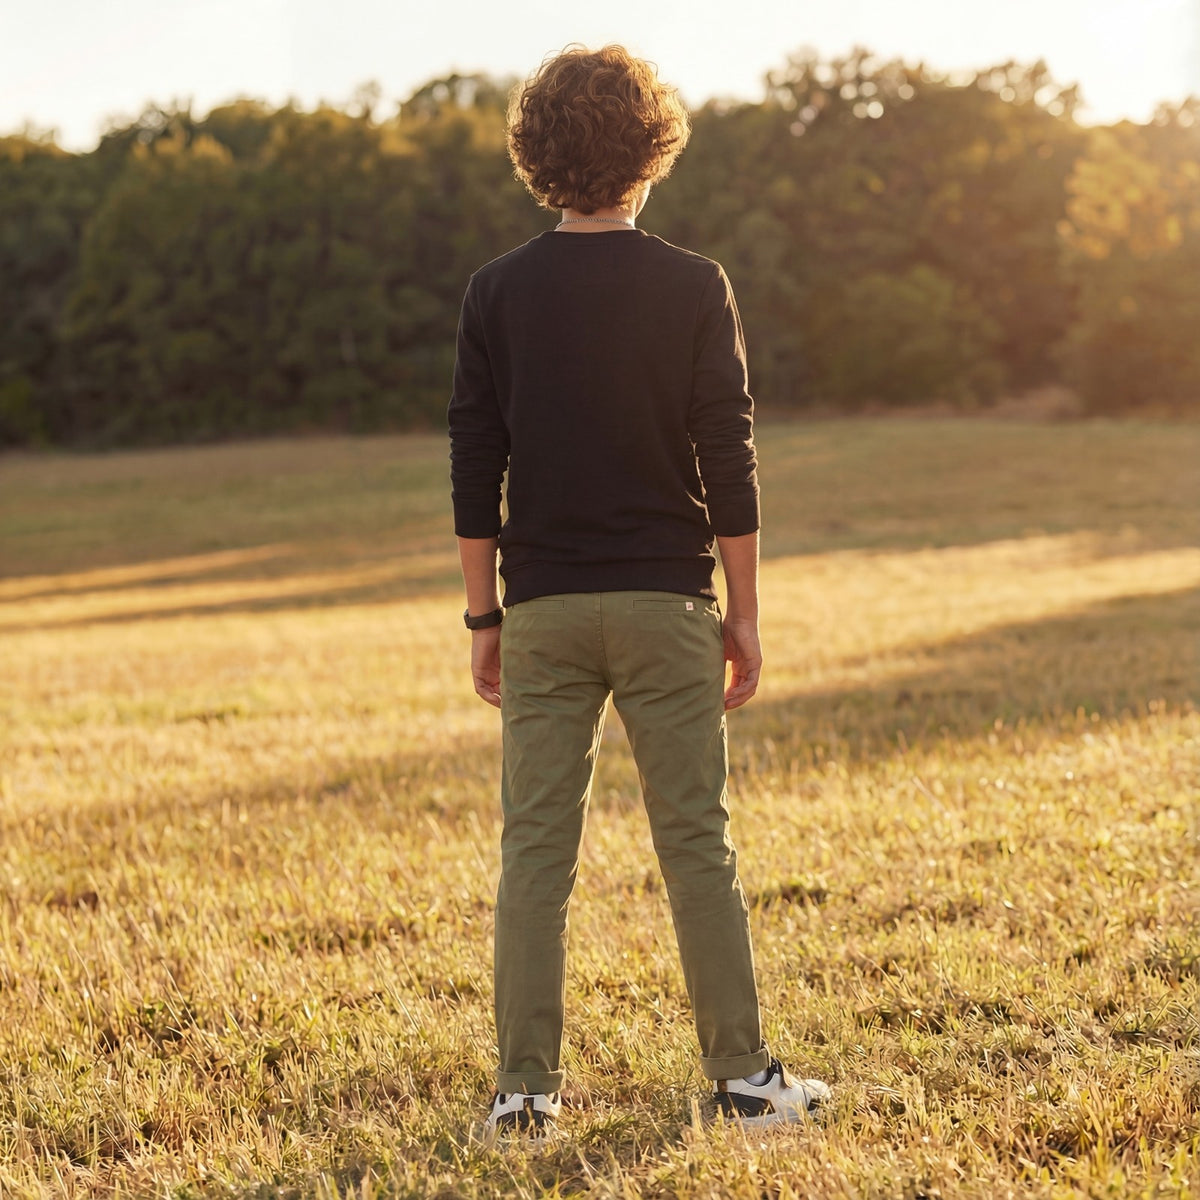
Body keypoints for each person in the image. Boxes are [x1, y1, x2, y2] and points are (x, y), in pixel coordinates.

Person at [448, 44, 830, 1136]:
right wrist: (743, 613)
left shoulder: (495, 293)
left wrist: (485, 616)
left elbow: (476, 463)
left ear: (538, 154)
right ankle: (748, 1084)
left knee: (534, 854)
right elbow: (731, 457)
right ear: (652, 152)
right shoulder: (695, 284)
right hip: (670, 610)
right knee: (697, 846)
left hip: (545, 614)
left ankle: (523, 1097)